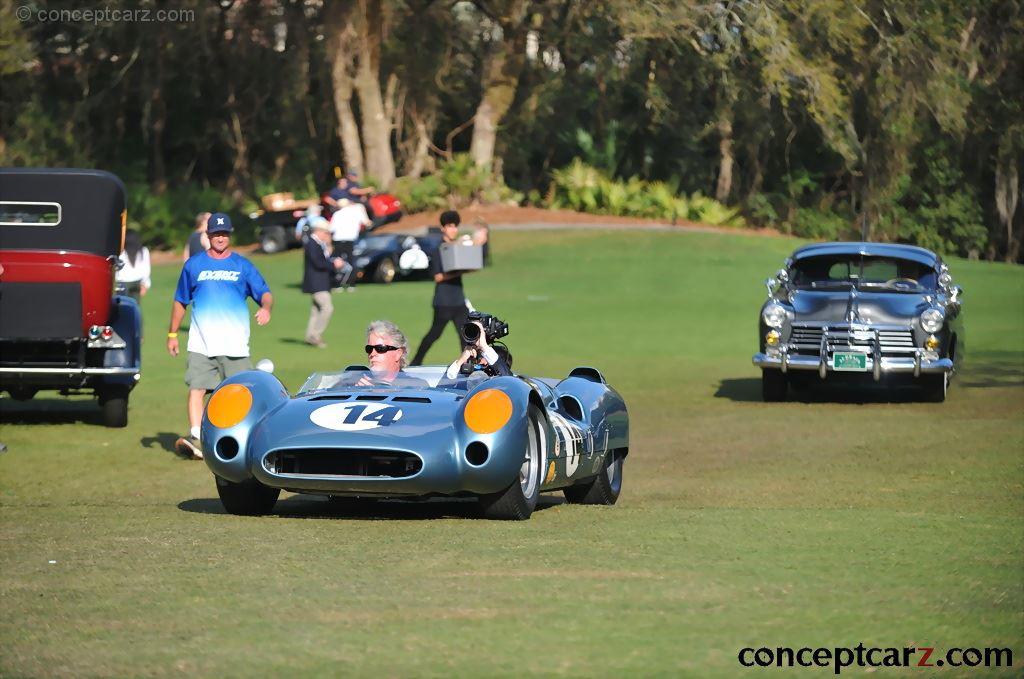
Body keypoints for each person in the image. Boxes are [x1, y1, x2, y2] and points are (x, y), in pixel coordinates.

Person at [167, 213, 273, 459]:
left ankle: (239, 438)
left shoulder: (243, 266)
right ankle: (196, 437)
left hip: (235, 345)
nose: (220, 237)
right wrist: (172, 333)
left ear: (230, 235)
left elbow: (265, 293)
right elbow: (180, 301)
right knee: (197, 388)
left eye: (224, 233)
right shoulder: (193, 265)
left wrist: (266, 308)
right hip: (201, 343)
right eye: (216, 233)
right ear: (208, 235)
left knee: (239, 393)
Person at [410, 210, 475, 365]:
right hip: (443, 301)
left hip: (458, 300)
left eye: (455, 226)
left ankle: (467, 365)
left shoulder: (458, 248)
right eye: (450, 226)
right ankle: (416, 361)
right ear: (443, 228)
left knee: (466, 335)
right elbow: (437, 276)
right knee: (435, 334)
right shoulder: (439, 249)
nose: (453, 230)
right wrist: (458, 272)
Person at [302, 218, 345, 348]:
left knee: (316, 311)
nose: (328, 235)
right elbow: (318, 262)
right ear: (319, 231)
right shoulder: (312, 244)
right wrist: (333, 264)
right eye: (326, 233)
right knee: (327, 308)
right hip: (317, 283)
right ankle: (315, 335)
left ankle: (310, 335)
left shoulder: (318, 244)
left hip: (320, 283)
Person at [349, 320, 428, 388]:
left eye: (380, 348)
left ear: (398, 354)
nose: (372, 354)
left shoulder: (415, 386)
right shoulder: (353, 381)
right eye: (369, 349)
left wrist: (373, 393)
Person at [443, 320, 513, 380]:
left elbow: (507, 378)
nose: (478, 360)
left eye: (484, 356)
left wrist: (484, 347)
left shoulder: (505, 384)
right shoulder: (472, 377)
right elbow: (445, 384)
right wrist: (461, 361)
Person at [328, 198, 371, 290]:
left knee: (337, 261)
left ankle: (337, 284)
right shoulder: (356, 212)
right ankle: (351, 284)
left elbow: (331, 229)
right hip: (351, 240)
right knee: (352, 262)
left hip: (338, 241)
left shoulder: (337, 214)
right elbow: (367, 223)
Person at [116, 229, 151, 303]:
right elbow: (146, 270)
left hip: (122, 283)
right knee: (135, 307)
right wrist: (145, 284)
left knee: (122, 308)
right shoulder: (144, 251)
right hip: (137, 282)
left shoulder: (121, 252)